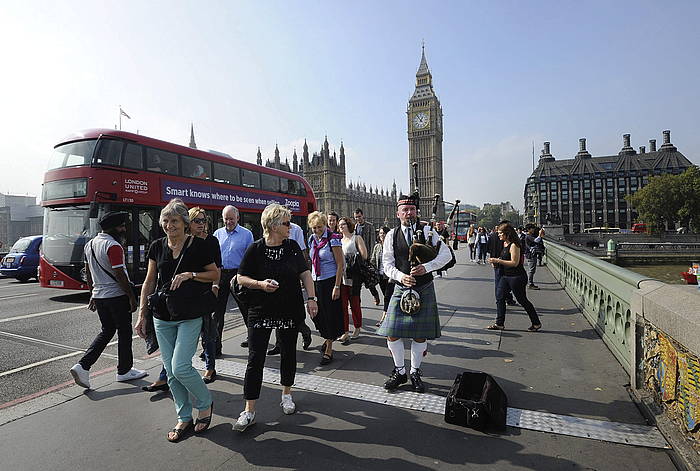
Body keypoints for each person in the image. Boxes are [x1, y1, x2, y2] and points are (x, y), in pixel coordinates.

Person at [135, 199, 218, 442]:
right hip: (163, 315)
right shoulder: (157, 246)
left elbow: (214, 274)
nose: (169, 225)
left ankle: (205, 402)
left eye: (175, 221)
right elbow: (149, 282)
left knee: (181, 366)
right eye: (166, 221)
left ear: (185, 223)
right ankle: (183, 416)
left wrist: (190, 274)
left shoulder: (198, 246)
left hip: (190, 314)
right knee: (171, 372)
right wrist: (142, 313)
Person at [233, 204, 319, 432]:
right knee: (255, 359)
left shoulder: (292, 247)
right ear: (272, 225)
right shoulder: (255, 249)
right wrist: (260, 284)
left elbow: (305, 274)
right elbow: (241, 278)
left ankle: (287, 394)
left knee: (288, 353)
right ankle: (249, 409)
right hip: (260, 310)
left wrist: (312, 298)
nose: (290, 226)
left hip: (288, 309)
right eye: (286, 223)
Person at [377, 194, 451, 393]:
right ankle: (400, 371)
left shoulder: (428, 231)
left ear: (416, 212)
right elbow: (387, 265)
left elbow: (447, 255)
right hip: (401, 288)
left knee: (420, 336)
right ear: (398, 214)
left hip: (424, 287)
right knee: (392, 333)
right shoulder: (391, 236)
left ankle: (415, 371)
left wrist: (427, 267)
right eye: (405, 210)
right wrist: (401, 277)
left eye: (412, 210)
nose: (409, 213)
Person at [70, 211, 147, 390]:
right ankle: (124, 371)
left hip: (100, 296)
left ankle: (83, 366)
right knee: (125, 332)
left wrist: (92, 293)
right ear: (113, 228)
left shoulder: (89, 245)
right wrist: (131, 297)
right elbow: (119, 273)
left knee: (107, 331)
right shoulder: (113, 246)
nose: (123, 229)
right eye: (121, 226)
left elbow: (88, 272)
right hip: (116, 296)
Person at [267, 220, 313, 354]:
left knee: (295, 317)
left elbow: (302, 251)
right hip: (276, 280)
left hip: (291, 278)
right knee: (277, 314)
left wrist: (302, 275)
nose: (287, 226)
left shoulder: (296, 230)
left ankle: (305, 332)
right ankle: (278, 345)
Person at [487, 223, 542, 332]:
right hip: (505, 276)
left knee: (522, 300)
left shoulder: (514, 245)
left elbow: (514, 263)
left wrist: (498, 261)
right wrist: (497, 262)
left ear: (507, 234)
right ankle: (499, 323)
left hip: (516, 277)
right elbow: (505, 259)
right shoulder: (505, 244)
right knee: (500, 297)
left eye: (500, 233)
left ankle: (536, 323)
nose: (498, 235)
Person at [213, 205, 254, 350]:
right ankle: (216, 345)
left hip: (238, 274)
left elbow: (250, 259)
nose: (229, 221)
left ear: (237, 217)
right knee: (218, 312)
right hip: (221, 274)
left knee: (245, 308)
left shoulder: (247, 234)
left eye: (231, 218)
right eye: (226, 219)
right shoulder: (217, 234)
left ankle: (252, 338)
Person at [307, 211, 344, 365]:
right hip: (316, 282)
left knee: (329, 315)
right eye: (314, 228)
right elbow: (311, 260)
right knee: (315, 314)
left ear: (325, 225)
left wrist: (337, 286)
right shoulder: (312, 240)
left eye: (320, 227)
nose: (317, 230)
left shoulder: (333, 239)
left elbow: (340, 264)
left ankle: (329, 347)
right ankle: (328, 336)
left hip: (329, 281)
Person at [337, 216, 368, 342]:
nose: (341, 226)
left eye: (343, 224)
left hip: (354, 277)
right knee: (343, 306)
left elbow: (364, 255)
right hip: (342, 277)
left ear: (348, 225)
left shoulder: (357, 238)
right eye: (340, 225)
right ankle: (345, 331)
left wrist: (351, 257)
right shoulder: (339, 240)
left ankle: (357, 327)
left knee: (354, 304)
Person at [354, 208, 381, 305]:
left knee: (368, 280)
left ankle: (375, 295)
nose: (358, 219)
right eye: (356, 217)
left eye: (359, 217)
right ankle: (358, 301)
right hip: (357, 259)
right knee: (356, 282)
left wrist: (370, 257)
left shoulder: (370, 227)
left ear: (363, 216)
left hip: (366, 257)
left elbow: (372, 242)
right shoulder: (354, 227)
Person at [372, 226, 393, 327]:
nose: (382, 235)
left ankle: (384, 319)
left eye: (384, 233)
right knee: (386, 296)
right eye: (380, 233)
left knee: (387, 297)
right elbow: (373, 260)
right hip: (380, 276)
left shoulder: (392, 246)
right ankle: (391, 315)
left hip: (390, 276)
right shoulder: (377, 247)